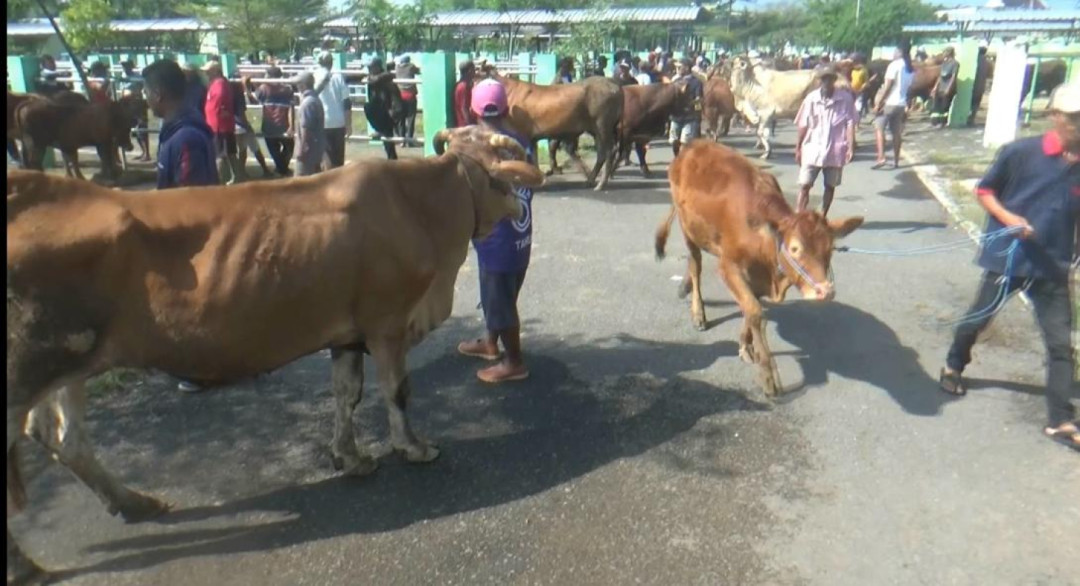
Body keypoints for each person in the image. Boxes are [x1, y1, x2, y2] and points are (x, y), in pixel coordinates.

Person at [939, 82, 1080, 452]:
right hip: (1010, 258)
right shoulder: (1020, 153)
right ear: (1055, 117)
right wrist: (1010, 218)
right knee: (976, 320)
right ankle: (954, 365)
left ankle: (1060, 419)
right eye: (1076, 118)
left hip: (1053, 264)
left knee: (1060, 343)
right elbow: (985, 191)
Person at [141, 59, 220, 393]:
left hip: (190, 239)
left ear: (158, 94)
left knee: (193, 304)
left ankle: (202, 368)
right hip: (175, 233)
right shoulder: (174, 130)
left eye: (145, 91)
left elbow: (192, 199)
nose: (144, 98)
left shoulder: (185, 136)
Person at [456, 79, 535, 384]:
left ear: (473, 110)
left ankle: (514, 361)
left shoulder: (475, 148)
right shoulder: (521, 141)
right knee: (498, 296)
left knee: (500, 303)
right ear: (506, 108)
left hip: (495, 240)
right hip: (520, 236)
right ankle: (490, 343)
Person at [794, 65, 857, 217]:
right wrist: (798, 147)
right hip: (812, 148)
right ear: (819, 81)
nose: (827, 82)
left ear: (834, 80)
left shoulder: (845, 99)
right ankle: (799, 216)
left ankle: (822, 216)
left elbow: (850, 123)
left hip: (835, 150)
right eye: (824, 79)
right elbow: (803, 124)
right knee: (804, 185)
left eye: (830, 79)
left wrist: (851, 146)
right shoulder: (811, 100)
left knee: (830, 186)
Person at [873, 44, 914, 169]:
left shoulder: (894, 65)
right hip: (901, 104)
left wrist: (880, 102)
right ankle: (896, 160)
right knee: (896, 133)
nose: (893, 53)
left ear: (900, 52)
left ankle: (881, 157)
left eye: (895, 51)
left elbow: (888, 86)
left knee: (879, 128)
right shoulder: (910, 68)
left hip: (889, 103)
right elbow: (910, 89)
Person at [202, 60, 242, 184]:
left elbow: (221, 97)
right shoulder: (216, 83)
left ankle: (219, 180)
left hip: (220, 125)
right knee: (228, 153)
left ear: (215, 71)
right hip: (217, 124)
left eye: (208, 71)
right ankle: (235, 177)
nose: (206, 74)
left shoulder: (220, 83)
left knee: (221, 154)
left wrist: (221, 110)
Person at [251, 65, 296, 175]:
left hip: (270, 126)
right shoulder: (287, 89)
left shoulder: (264, 88)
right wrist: (291, 125)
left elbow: (253, 101)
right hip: (282, 124)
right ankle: (282, 169)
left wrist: (247, 88)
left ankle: (281, 169)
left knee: (275, 149)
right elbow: (291, 108)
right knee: (288, 147)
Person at [313, 52, 352, 168]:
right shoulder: (338, 76)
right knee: (338, 157)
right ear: (331, 62)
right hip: (339, 121)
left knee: (326, 157)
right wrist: (349, 124)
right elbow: (346, 102)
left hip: (321, 121)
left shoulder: (314, 75)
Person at [233, 76, 273, 177]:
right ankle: (243, 172)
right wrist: (246, 125)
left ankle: (241, 172)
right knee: (251, 148)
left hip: (239, 125)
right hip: (242, 125)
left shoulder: (236, 93)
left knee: (244, 149)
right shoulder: (239, 95)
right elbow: (243, 110)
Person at [363, 58, 400, 160]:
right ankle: (392, 159)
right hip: (382, 113)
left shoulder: (386, 79)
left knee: (388, 138)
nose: (369, 69)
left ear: (378, 67)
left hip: (389, 113)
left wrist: (394, 113)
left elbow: (395, 98)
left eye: (371, 67)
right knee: (368, 106)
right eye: (368, 67)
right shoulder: (373, 80)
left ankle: (392, 159)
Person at [669, 58, 704, 157]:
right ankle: (677, 158)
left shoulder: (696, 82)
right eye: (677, 67)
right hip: (675, 116)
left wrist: (689, 103)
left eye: (680, 67)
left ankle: (681, 162)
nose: (678, 69)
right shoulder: (675, 80)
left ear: (687, 68)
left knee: (685, 142)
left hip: (689, 117)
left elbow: (699, 99)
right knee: (674, 141)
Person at [294, 72, 326, 177]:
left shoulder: (307, 103)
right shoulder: (315, 100)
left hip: (308, 152)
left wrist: (302, 149)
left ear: (302, 85)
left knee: (299, 183)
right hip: (316, 150)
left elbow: (305, 128)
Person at [930, 47, 959, 129]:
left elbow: (953, 77)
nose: (943, 54)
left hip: (948, 89)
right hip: (940, 88)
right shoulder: (944, 63)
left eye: (945, 52)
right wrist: (935, 87)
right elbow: (940, 77)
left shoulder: (955, 64)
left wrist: (948, 88)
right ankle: (935, 123)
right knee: (937, 106)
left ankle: (942, 123)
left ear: (949, 53)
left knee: (945, 106)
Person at [395, 55, 421, 146]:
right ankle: (409, 140)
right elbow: (419, 71)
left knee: (401, 119)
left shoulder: (397, 67)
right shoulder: (411, 67)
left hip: (400, 95)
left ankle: (402, 140)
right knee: (410, 118)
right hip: (410, 95)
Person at [453, 60, 478, 128]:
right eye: (474, 70)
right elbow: (464, 108)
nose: (475, 72)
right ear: (470, 71)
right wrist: (470, 125)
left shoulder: (461, 85)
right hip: (465, 126)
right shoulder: (463, 86)